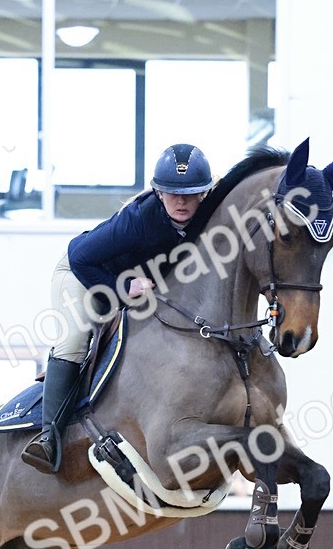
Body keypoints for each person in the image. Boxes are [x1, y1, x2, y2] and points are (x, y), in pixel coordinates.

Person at [22, 143, 213, 473]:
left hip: (130, 285)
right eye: (171, 193)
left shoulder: (206, 216)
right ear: (157, 191)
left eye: (191, 193)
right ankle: (47, 437)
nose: (181, 201)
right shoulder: (139, 219)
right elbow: (80, 255)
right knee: (74, 340)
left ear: (204, 193)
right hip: (81, 276)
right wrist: (125, 288)